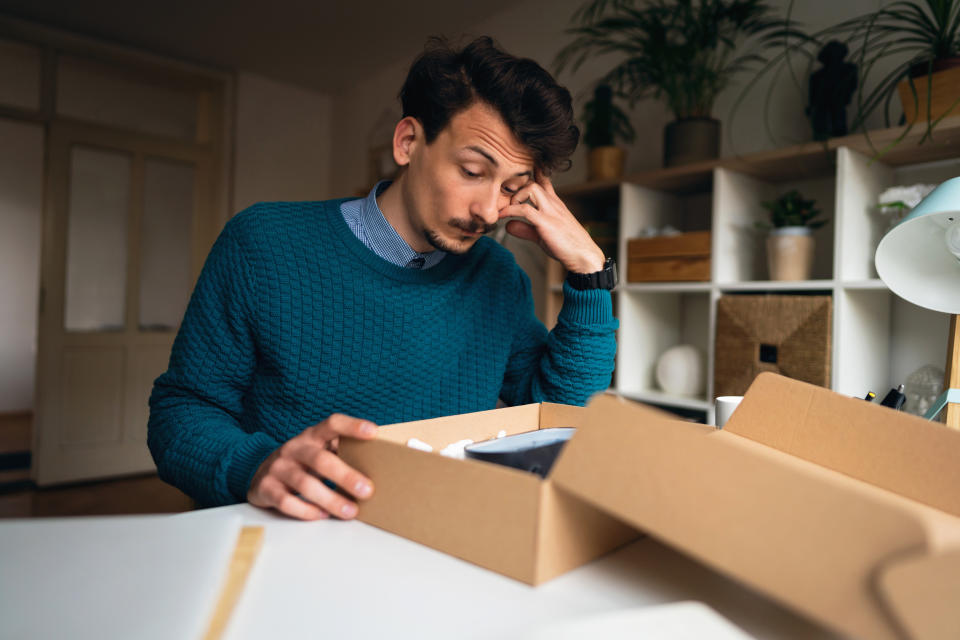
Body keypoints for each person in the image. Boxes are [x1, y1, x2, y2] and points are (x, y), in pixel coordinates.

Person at [148, 36, 618, 521]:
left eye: (511, 188)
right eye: (473, 171)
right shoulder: (263, 242)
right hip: (290, 540)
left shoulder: (500, 278)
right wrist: (256, 466)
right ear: (408, 143)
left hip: (436, 542)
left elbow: (559, 413)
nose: (489, 210)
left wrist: (589, 274)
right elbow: (181, 411)